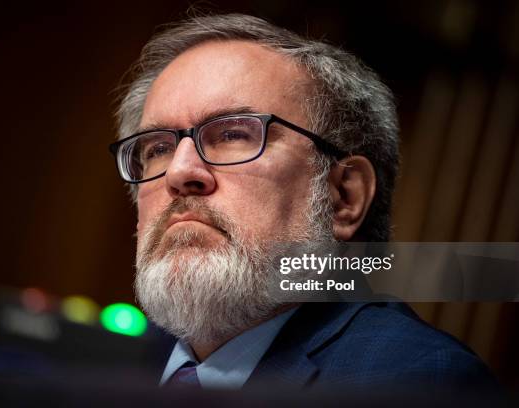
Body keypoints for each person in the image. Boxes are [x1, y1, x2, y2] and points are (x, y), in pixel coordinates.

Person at [109, 13, 496, 392]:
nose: (179, 173)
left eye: (233, 135)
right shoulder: (101, 361)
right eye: (158, 147)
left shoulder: (418, 381)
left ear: (344, 196)